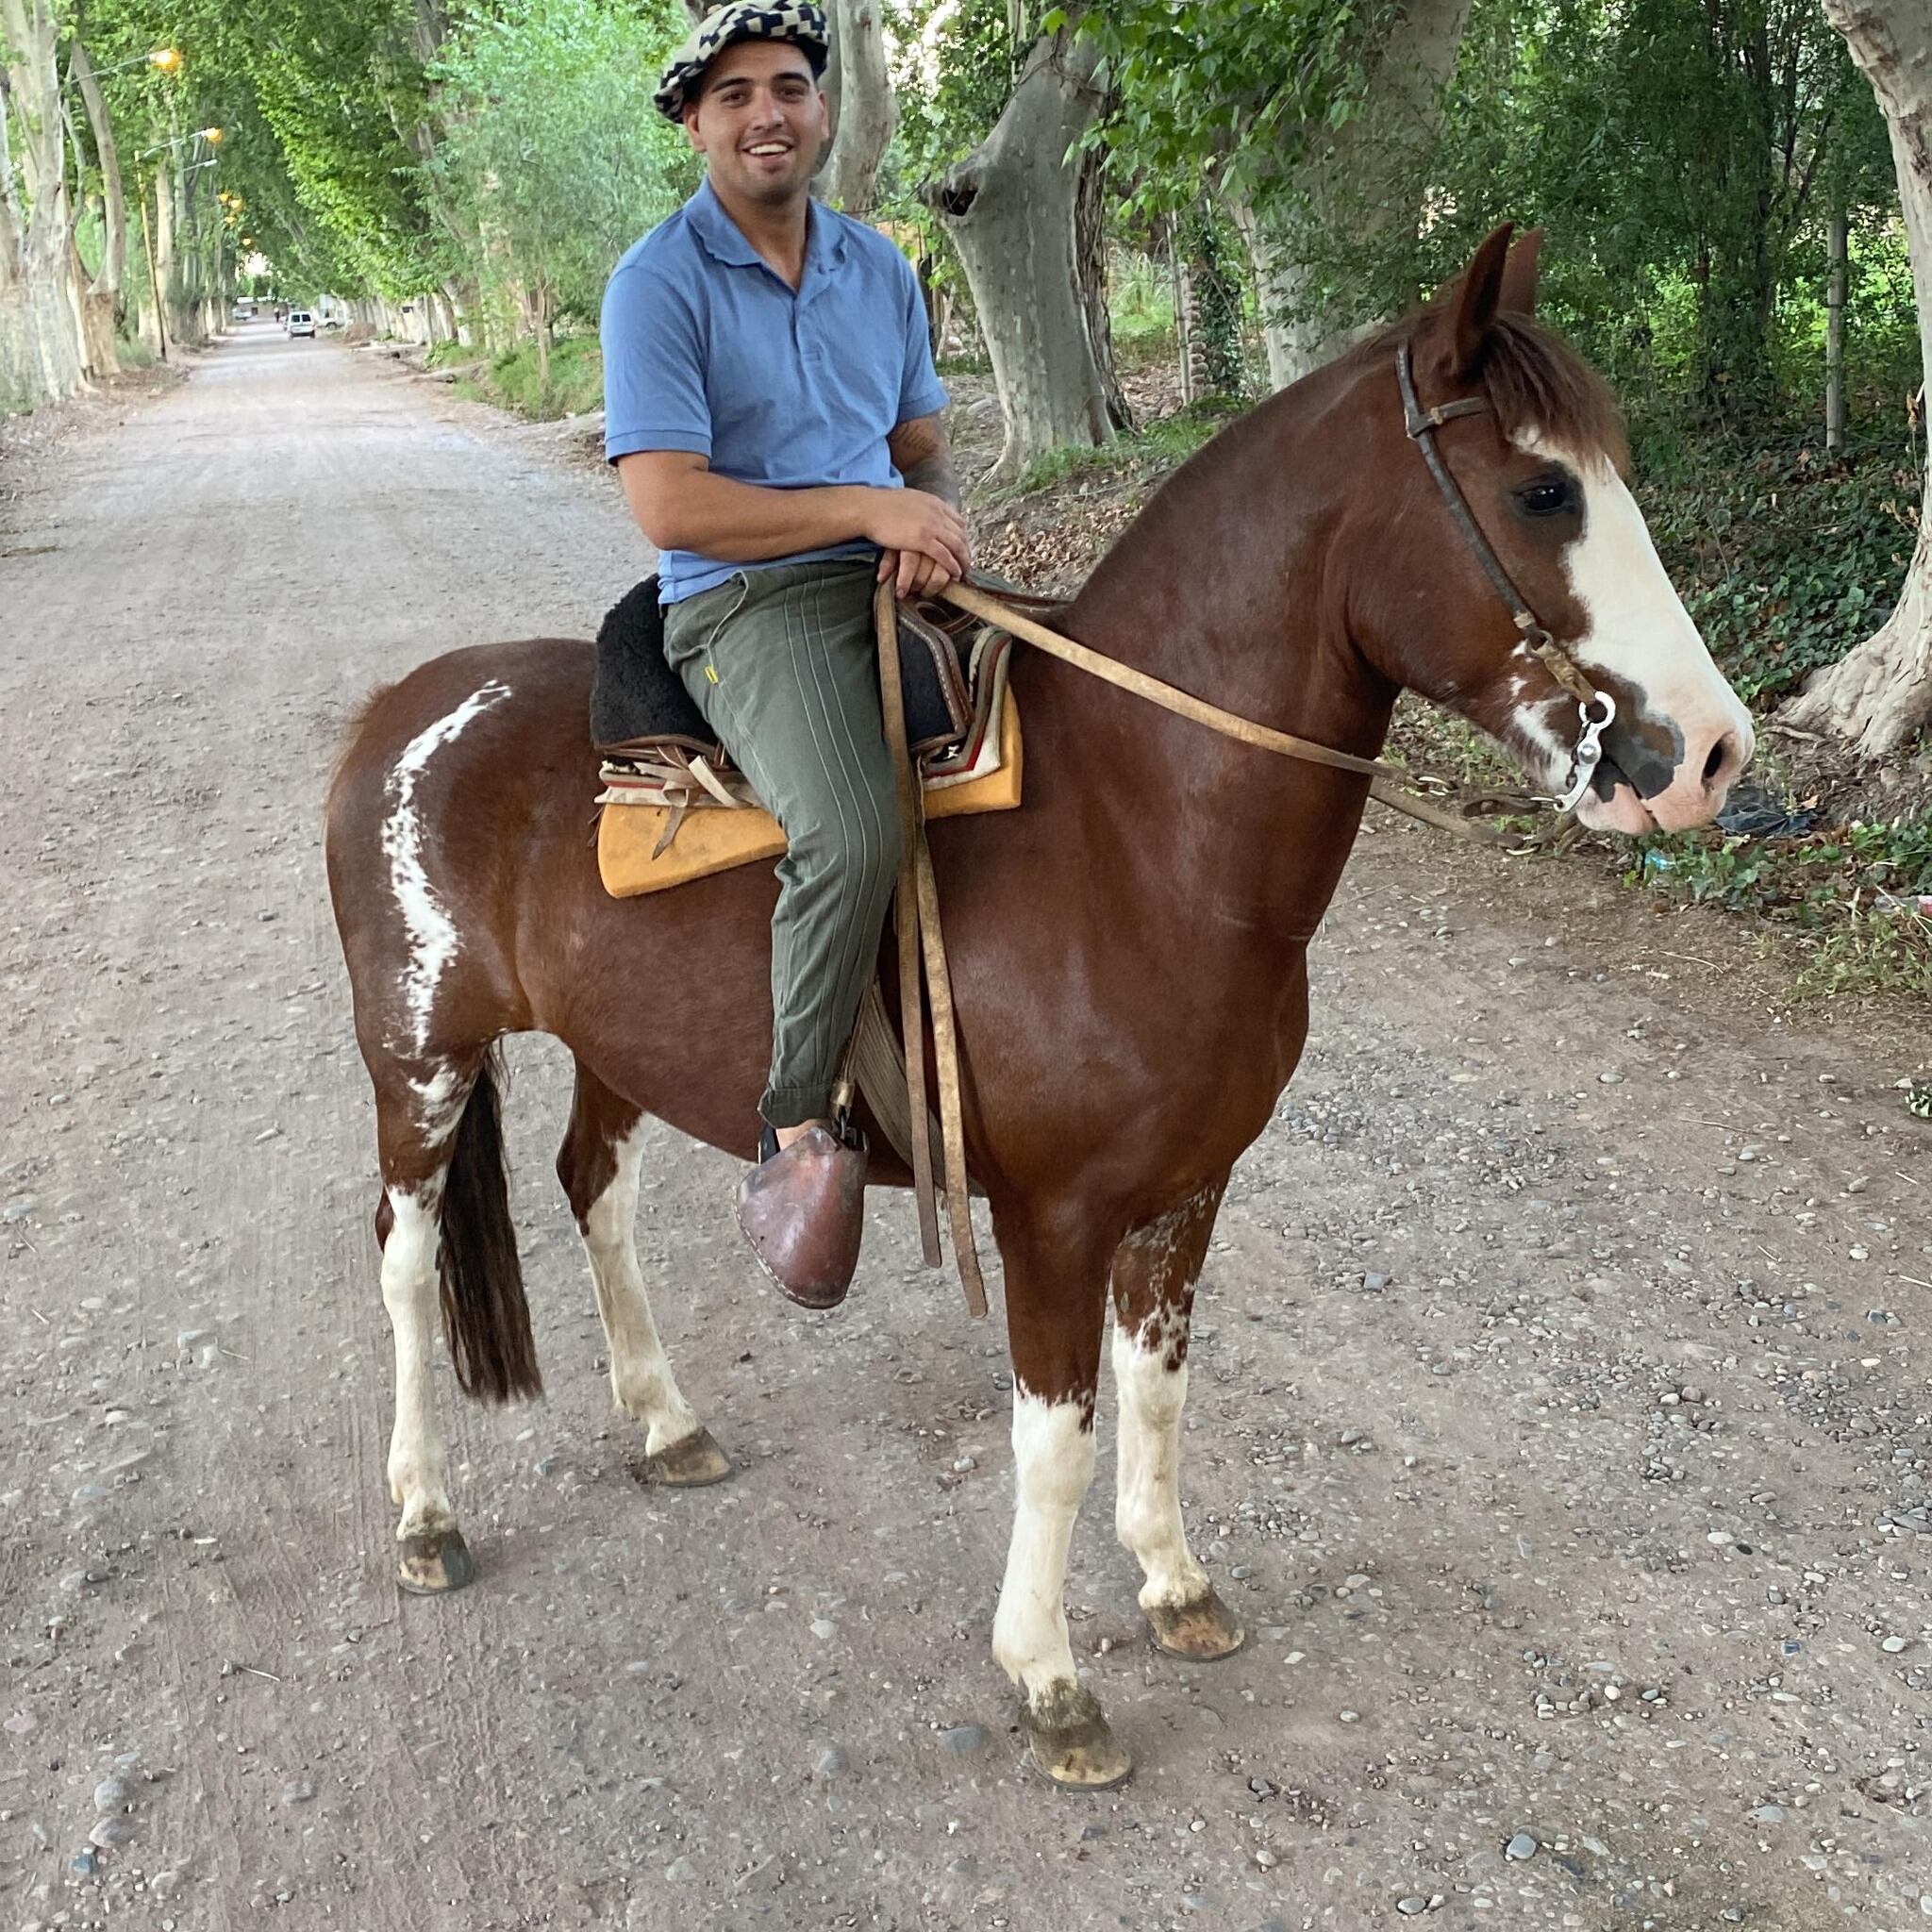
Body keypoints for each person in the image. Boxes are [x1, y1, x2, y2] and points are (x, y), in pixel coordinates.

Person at [603, 0, 971, 1310]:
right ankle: (796, 1122)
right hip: (744, 604)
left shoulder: (878, 265)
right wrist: (866, 506)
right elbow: (669, 506)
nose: (770, 111)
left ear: (824, 110)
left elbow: (919, 442)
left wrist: (928, 523)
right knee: (854, 828)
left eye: (793, 86)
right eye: (738, 92)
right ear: (695, 124)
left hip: (882, 570)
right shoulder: (659, 282)